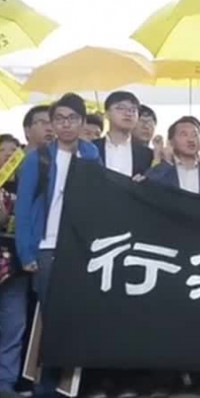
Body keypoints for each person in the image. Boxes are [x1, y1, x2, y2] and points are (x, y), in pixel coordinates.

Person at [14, 94, 101, 398]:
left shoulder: (91, 154)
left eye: (72, 118)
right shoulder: (39, 158)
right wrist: (26, 251)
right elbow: (24, 208)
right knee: (50, 318)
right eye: (60, 119)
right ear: (52, 123)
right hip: (47, 247)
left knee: (76, 316)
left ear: (82, 122)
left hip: (79, 248)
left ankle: (69, 385)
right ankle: (45, 385)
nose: (66, 124)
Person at [144, 117, 200, 197]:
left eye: (195, 135)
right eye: (184, 134)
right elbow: (146, 188)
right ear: (171, 142)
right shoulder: (164, 169)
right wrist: (167, 162)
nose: (191, 139)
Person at [0, 135, 24, 398]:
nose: (8, 154)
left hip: (15, 265)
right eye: (2, 149)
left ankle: (5, 381)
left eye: (13, 150)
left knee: (13, 325)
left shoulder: (26, 184)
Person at [93, 92, 153, 178]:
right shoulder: (91, 148)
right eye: (121, 108)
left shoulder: (147, 154)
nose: (128, 113)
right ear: (106, 114)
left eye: (133, 110)